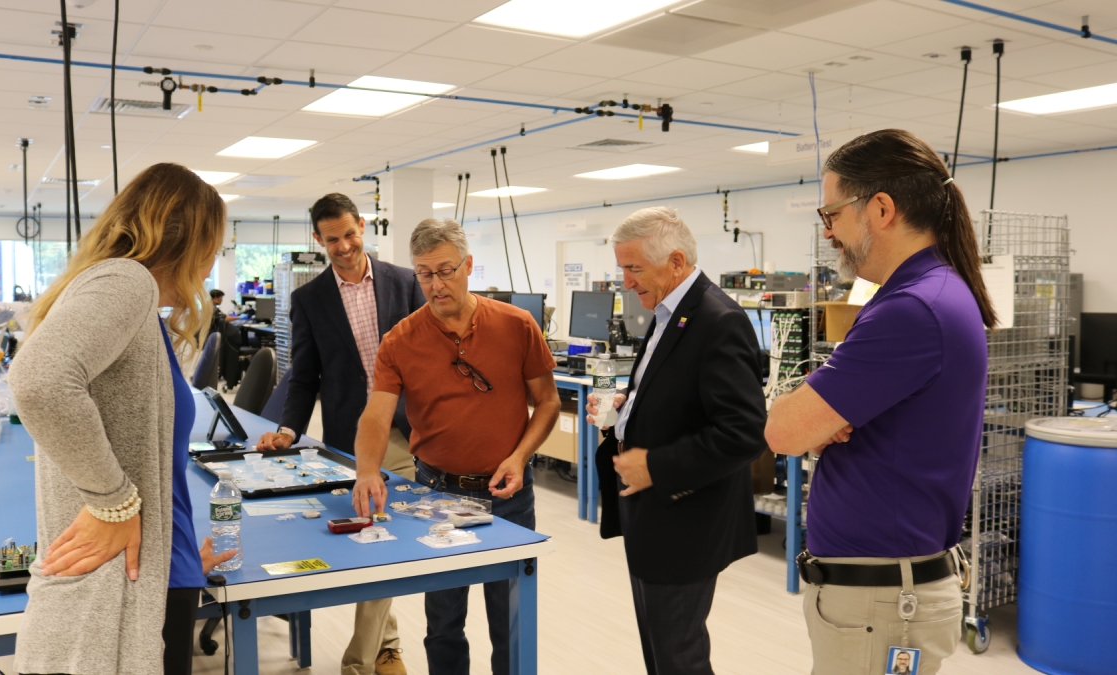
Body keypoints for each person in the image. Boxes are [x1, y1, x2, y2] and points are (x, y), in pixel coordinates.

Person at [764, 129, 994, 675]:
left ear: (881, 209)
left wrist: (814, 414)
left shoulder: (913, 309)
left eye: (832, 215)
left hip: (882, 602)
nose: (828, 234)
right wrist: (821, 415)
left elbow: (782, 432)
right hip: (881, 595)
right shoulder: (929, 292)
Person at [9, 163, 235, 675]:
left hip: (159, 569)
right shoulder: (128, 280)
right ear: (188, 242)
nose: (209, 268)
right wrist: (113, 502)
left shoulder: (134, 304)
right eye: (212, 249)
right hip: (119, 582)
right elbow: (39, 381)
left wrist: (174, 552)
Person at [352, 218, 559, 675]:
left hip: (508, 496)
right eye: (424, 274)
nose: (436, 284)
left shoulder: (517, 325)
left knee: (511, 619)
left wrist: (519, 457)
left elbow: (547, 402)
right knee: (444, 622)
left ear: (468, 266)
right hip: (437, 496)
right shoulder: (400, 340)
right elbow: (376, 415)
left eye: (445, 271)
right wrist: (367, 469)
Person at [584, 207, 767, 675]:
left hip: (686, 520)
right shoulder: (669, 312)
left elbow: (744, 433)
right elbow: (679, 390)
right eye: (622, 268)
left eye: (634, 268)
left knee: (678, 656)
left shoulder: (718, 320)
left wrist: (656, 465)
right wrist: (629, 408)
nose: (626, 282)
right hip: (653, 515)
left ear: (677, 262)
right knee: (661, 652)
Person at [256, 193, 425, 675]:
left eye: (350, 234)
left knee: (384, 532)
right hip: (352, 435)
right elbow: (304, 376)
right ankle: (387, 647)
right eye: (332, 240)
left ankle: (361, 660)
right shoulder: (309, 299)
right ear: (318, 239)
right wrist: (287, 428)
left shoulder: (404, 282)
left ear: (362, 226)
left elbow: (428, 356)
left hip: (404, 429)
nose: (344, 246)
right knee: (374, 534)